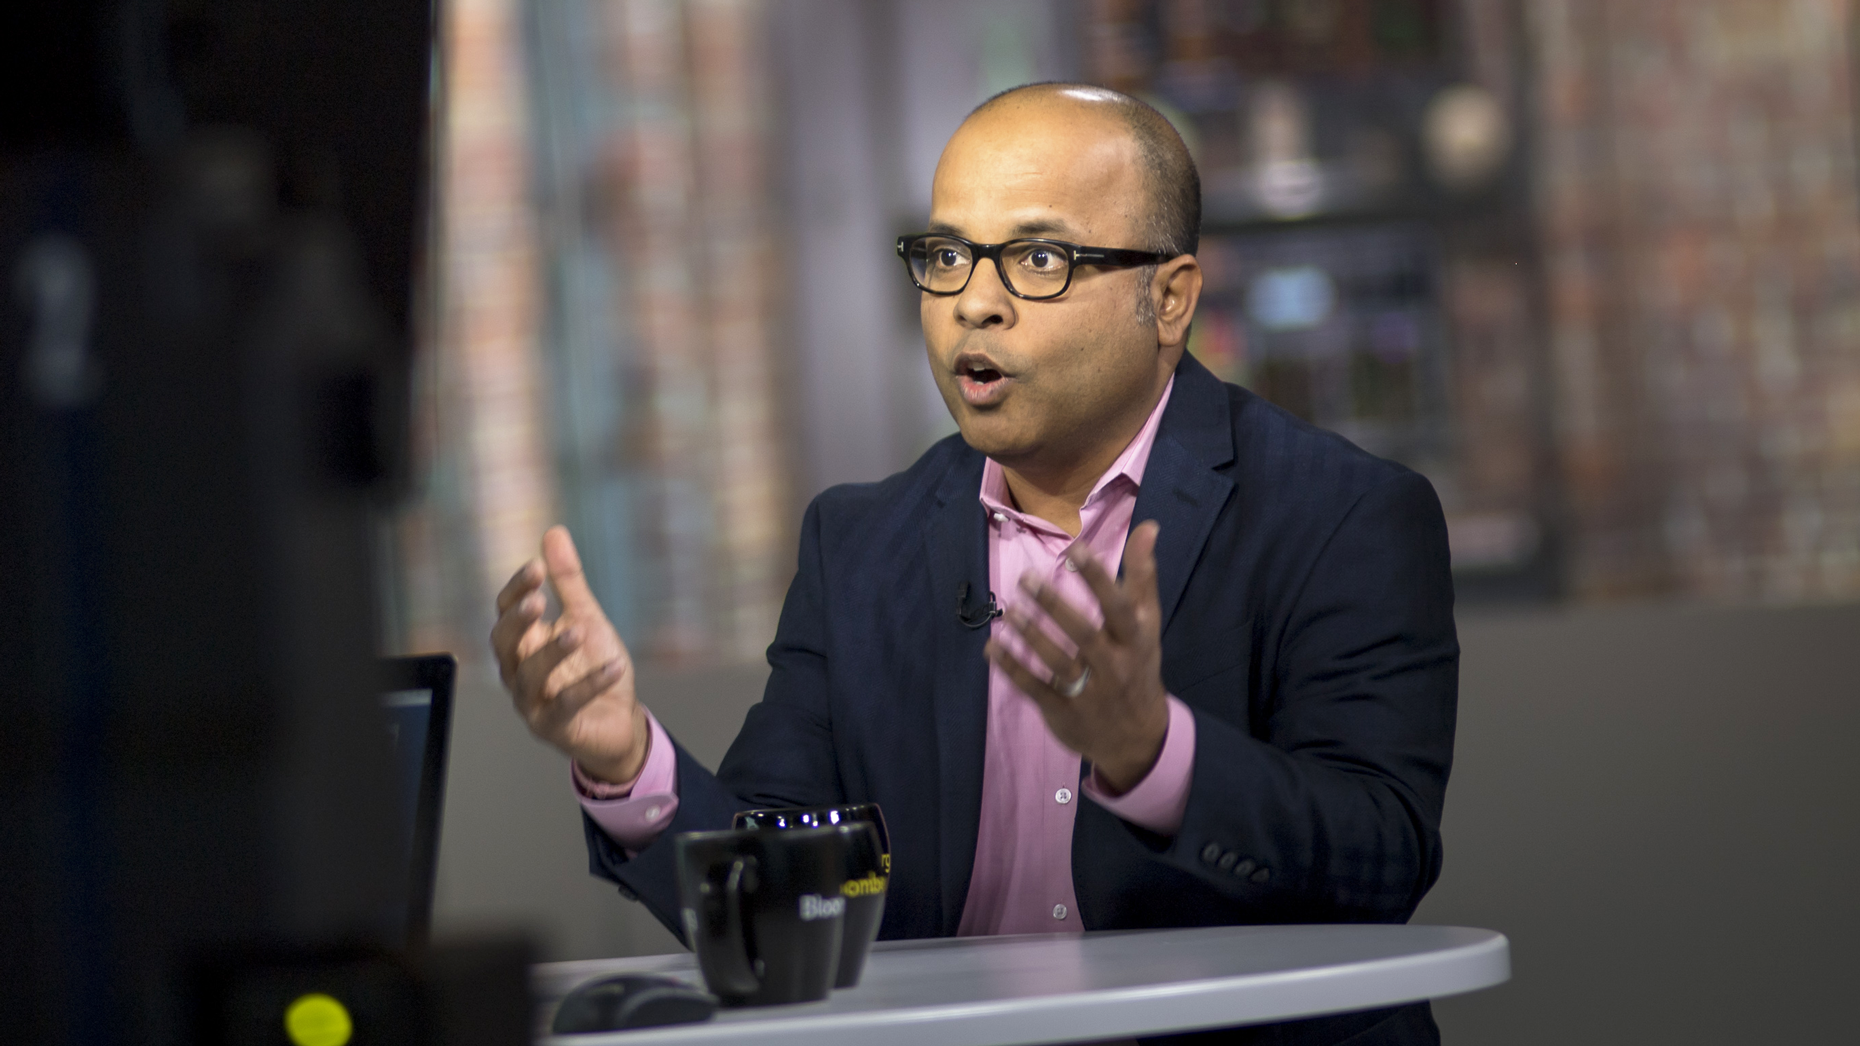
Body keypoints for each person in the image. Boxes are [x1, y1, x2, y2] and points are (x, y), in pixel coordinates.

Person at [492, 83, 1457, 1046]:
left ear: (1167, 300)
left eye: (1038, 259)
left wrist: (1155, 757)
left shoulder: (1341, 514)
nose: (973, 304)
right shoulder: (859, 545)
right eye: (948, 256)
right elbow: (785, 906)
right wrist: (628, 763)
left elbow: (1380, 860)